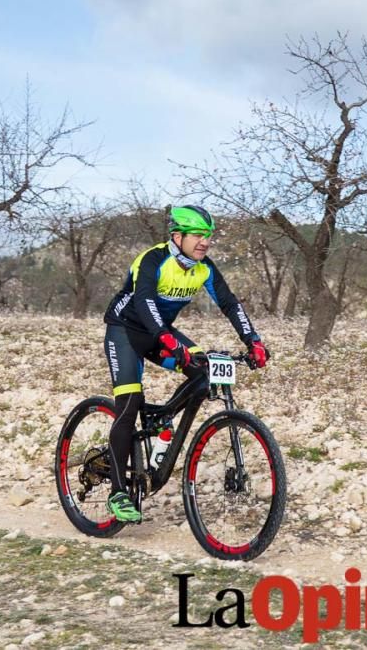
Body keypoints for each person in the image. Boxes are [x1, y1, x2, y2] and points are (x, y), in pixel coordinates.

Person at [102, 205, 269, 522]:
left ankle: (164, 416)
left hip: (161, 333)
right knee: (129, 401)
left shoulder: (204, 267)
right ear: (177, 236)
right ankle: (118, 493)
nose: (204, 242)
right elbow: (144, 300)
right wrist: (167, 339)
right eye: (197, 235)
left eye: (208, 236)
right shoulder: (153, 260)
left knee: (205, 373)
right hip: (125, 332)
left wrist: (254, 341)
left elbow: (229, 303)